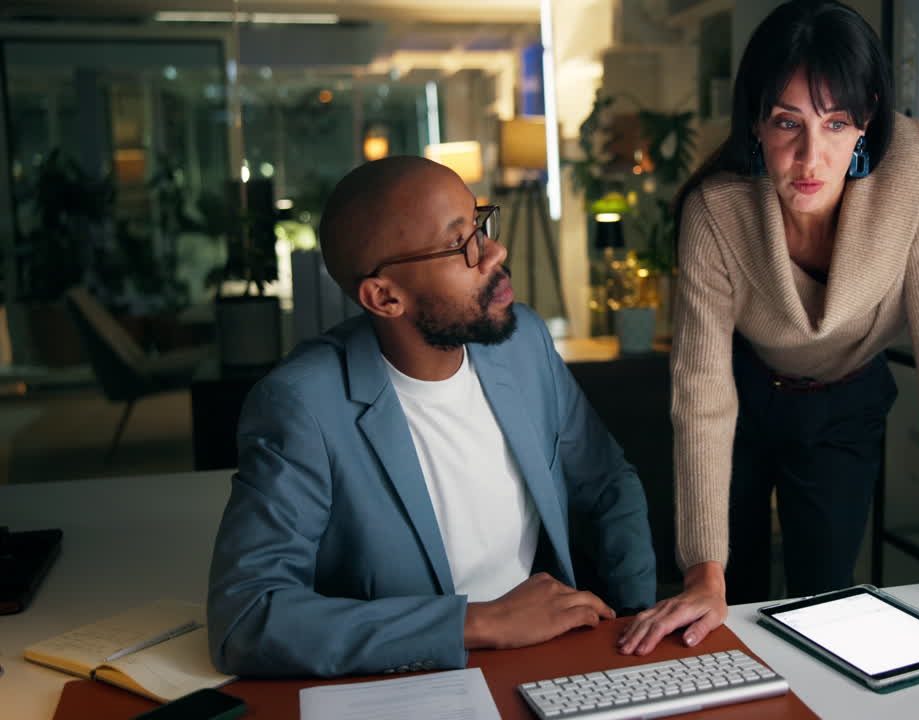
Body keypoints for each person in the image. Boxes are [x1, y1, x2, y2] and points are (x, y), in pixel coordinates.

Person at [619, 0, 919, 656]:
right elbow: (703, 397)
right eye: (786, 123)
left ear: (868, 120)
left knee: (825, 598)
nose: (811, 156)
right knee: (725, 601)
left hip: (844, 400)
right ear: (755, 120)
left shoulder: (910, 171)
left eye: (836, 124)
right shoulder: (715, 210)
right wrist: (702, 572)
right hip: (743, 398)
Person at [208, 156, 656, 676]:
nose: (495, 252)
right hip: (409, 684)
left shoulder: (522, 342)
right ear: (385, 296)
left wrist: (636, 628)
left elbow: (606, 484)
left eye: (480, 223)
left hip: (547, 659)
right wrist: (479, 622)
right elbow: (246, 618)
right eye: (460, 243)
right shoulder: (303, 405)